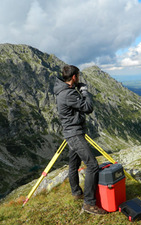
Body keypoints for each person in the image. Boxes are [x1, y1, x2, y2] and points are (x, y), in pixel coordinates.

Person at [53, 65, 107, 215]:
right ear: (75, 77)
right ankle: (89, 204)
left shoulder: (63, 91)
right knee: (92, 165)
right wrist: (84, 91)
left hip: (71, 133)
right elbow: (88, 107)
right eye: (79, 76)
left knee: (74, 164)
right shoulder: (68, 94)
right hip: (75, 134)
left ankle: (76, 192)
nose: (80, 78)